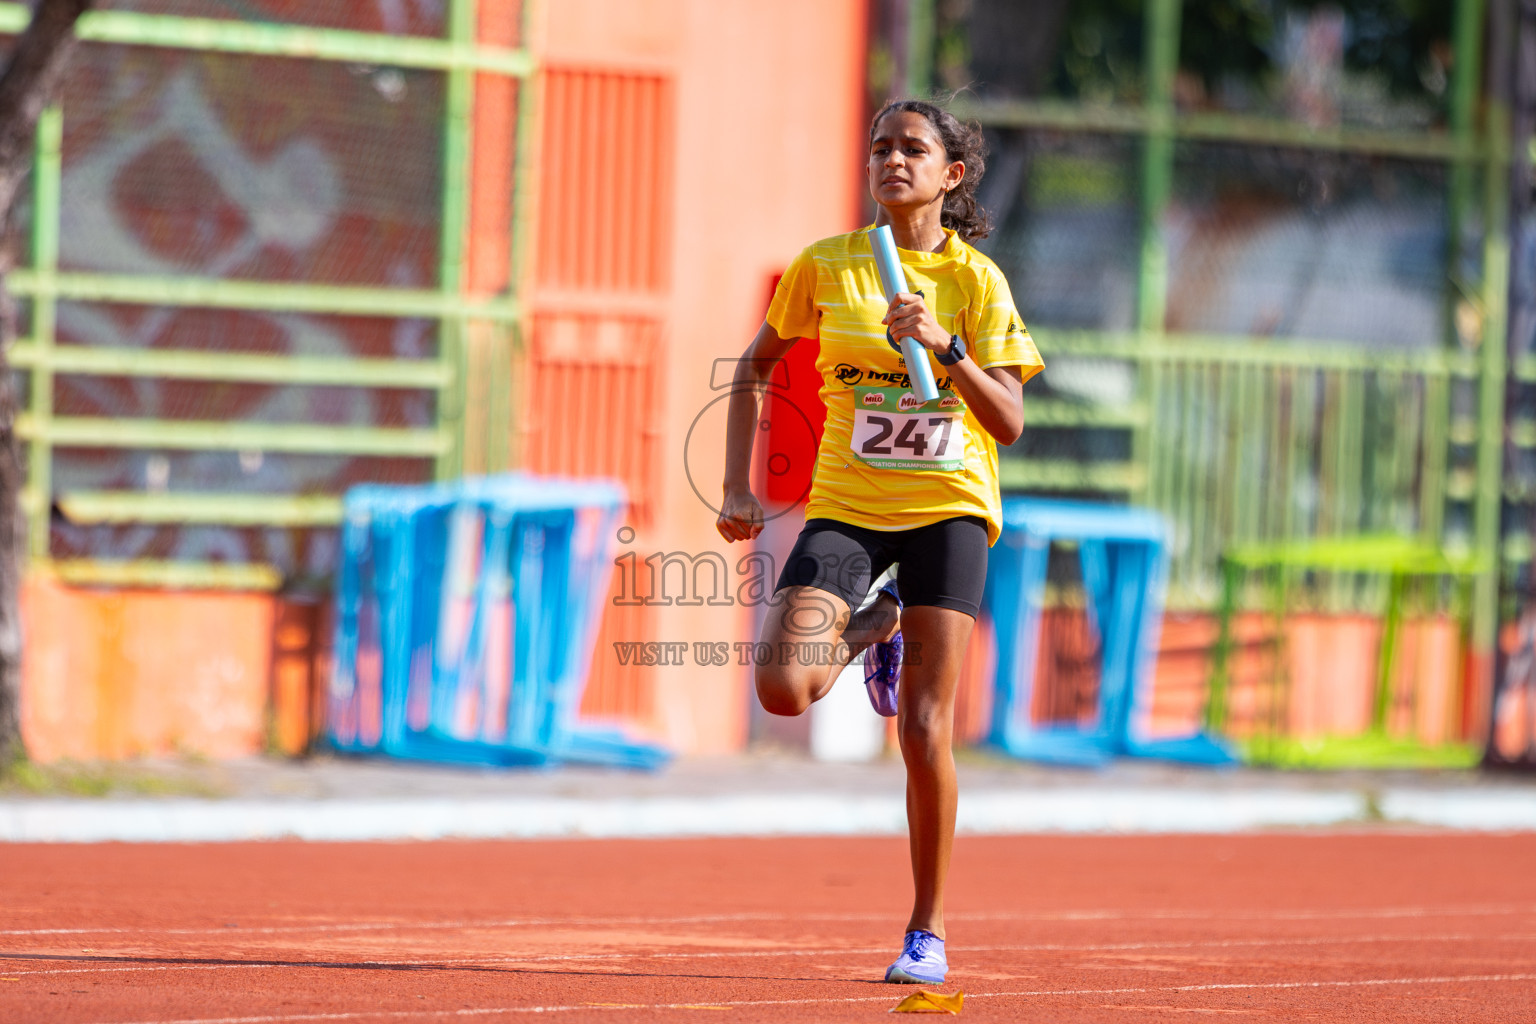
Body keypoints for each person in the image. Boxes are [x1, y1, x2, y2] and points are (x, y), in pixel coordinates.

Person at [715, 99, 1043, 984]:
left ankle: (925, 931)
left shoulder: (977, 284)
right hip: (850, 504)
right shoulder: (827, 267)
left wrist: (946, 347)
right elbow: (755, 367)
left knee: (926, 728)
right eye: (879, 148)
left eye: (913, 149)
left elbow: (1009, 420)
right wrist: (737, 483)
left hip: (948, 507)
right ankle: (875, 625)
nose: (892, 161)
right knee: (783, 687)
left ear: (951, 175)